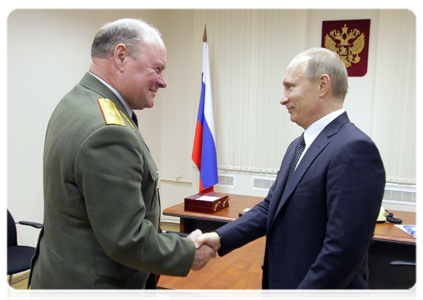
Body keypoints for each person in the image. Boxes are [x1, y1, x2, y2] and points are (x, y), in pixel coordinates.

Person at [29, 18, 215, 300]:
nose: (163, 81)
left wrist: (172, 239)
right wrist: (188, 253)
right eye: (158, 69)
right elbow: (126, 239)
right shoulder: (108, 132)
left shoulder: (76, 101)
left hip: (61, 279)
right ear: (121, 56)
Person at [196, 48, 386, 300]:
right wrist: (219, 237)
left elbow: (342, 253)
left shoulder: (354, 149)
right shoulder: (299, 145)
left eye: (290, 87)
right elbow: (270, 208)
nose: (282, 98)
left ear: (322, 85)